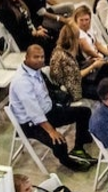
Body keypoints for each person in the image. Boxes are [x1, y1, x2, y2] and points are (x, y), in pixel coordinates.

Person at [11, 41, 96, 169]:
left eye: (42, 57)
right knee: (59, 142)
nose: (40, 60)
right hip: (31, 123)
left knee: (84, 112)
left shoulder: (35, 70)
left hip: (48, 110)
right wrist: (51, 131)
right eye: (35, 57)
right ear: (26, 57)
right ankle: (68, 162)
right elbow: (34, 112)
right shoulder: (22, 82)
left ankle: (80, 144)